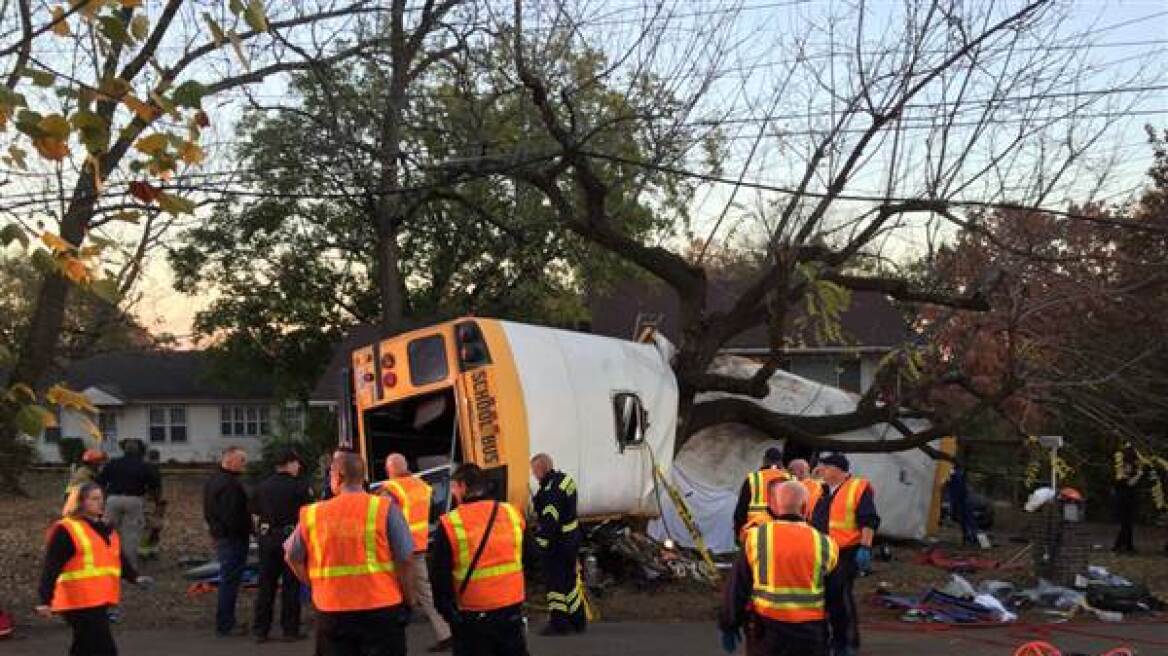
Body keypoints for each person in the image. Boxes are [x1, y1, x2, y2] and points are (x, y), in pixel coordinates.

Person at [285, 450, 415, 656]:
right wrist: (409, 598)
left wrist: (314, 584)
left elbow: (291, 556)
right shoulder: (384, 508)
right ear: (362, 477)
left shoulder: (313, 513)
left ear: (339, 477)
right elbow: (406, 558)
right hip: (381, 606)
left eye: (330, 476)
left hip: (332, 610)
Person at [720, 480, 839, 656]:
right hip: (810, 635)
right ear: (805, 506)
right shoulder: (825, 544)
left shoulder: (755, 539)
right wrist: (844, 636)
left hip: (765, 632)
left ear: (775, 506)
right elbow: (838, 596)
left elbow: (737, 586)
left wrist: (729, 623)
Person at [37, 482, 152, 656]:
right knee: (103, 648)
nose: (100, 503)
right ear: (80, 502)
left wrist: (135, 578)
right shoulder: (67, 530)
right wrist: (45, 599)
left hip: (97, 599)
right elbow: (51, 567)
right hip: (77, 601)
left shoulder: (107, 530)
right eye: (94, 499)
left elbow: (118, 559)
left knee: (84, 646)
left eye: (101, 499)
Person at [432, 463, 529, 656]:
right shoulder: (511, 512)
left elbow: (439, 576)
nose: (453, 493)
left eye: (453, 487)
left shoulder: (450, 522)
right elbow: (531, 556)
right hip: (510, 608)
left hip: (471, 613)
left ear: (462, 486)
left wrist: (447, 611)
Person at [380, 453, 452, 652]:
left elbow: (383, 518)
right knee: (425, 590)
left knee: (392, 590)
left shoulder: (391, 489)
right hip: (419, 545)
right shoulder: (422, 486)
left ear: (390, 470)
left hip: (398, 549)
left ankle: (443, 632)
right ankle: (445, 630)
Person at [811, 453, 879, 656]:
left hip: (845, 553)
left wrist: (865, 548)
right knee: (820, 599)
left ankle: (847, 642)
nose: (822, 471)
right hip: (820, 553)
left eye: (827, 467)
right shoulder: (820, 490)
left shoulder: (857, 488)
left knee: (840, 597)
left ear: (839, 471)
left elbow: (869, 520)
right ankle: (824, 640)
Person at [250, 447, 312, 643]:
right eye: (296, 463)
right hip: (291, 538)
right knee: (291, 585)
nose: (299, 466)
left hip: (267, 539)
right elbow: (309, 513)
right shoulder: (300, 486)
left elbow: (253, 511)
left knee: (266, 585)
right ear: (289, 464)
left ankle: (261, 630)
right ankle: (290, 630)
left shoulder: (262, 486)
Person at [530, 452, 585, 636]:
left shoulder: (549, 492)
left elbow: (549, 522)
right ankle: (578, 620)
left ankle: (559, 623)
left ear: (540, 470)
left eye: (534, 471)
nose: (534, 475)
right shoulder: (564, 480)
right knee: (569, 582)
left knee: (555, 584)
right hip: (572, 539)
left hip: (558, 544)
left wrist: (538, 545)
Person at [203, 446, 251, 637]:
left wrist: (215, 532)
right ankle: (226, 623)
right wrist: (249, 530)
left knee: (227, 580)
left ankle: (226, 621)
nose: (244, 465)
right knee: (230, 581)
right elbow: (233, 516)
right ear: (230, 461)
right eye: (242, 461)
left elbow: (209, 511)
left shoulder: (213, 481)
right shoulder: (231, 485)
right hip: (233, 538)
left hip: (222, 536)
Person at [96, 439, 160, 571]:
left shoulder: (113, 463)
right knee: (131, 535)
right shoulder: (144, 465)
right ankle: (129, 568)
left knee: (108, 531)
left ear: (123, 450)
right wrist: (156, 501)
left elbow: (100, 481)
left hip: (113, 500)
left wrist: (103, 497)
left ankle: (106, 562)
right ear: (138, 451)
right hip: (134, 500)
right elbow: (154, 486)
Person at [733, 447, 791, 540]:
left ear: (764, 460)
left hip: (755, 531)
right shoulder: (791, 479)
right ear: (780, 462)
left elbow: (741, 509)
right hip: (783, 532)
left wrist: (739, 532)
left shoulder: (753, 478)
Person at [1113, 444, 1143, 554]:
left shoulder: (1128, 470)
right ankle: (1118, 546)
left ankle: (1128, 546)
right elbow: (1130, 483)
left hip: (1129, 500)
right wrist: (1138, 475)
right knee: (1126, 524)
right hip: (1123, 501)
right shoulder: (1121, 473)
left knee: (1129, 524)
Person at [945, 464, 978, 546]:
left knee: (966, 520)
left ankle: (970, 538)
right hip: (962, 501)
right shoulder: (957, 476)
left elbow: (957, 489)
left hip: (962, 501)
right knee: (966, 521)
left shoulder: (956, 475)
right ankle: (969, 538)